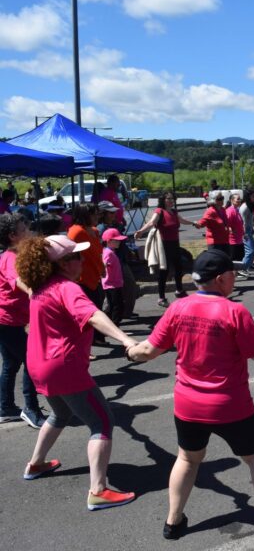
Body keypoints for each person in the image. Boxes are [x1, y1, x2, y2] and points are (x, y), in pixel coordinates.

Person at [127, 250, 254, 542]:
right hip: (230, 405)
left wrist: (130, 350)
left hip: (188, 404)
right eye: (232, 274)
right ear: (221, 278)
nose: (235, 277)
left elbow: (147, 351)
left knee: (187, 459)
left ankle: (173, 523)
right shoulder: (233, 311)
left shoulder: (178, 307)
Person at [17, 235, 138, 511]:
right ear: (63, 263)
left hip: (39, 365)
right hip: (63, 367)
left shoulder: (40, 286)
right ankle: (98, 491)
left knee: (60, 413)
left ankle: (36, 464)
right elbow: (93, 315)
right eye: (77, 256)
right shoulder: (67, 288)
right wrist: (125, 339)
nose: (83, 260)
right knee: (103, 422)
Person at [0, 213, 45, 428]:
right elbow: (15, 279)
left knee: (10, 363)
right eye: (24, 229)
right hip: (7, 321)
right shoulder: (10, 258)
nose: (29, 231)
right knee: (31, 361)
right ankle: (31, 408)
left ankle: (6, 407)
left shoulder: (19, 254)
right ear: (12, 236)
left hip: (10, 320)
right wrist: (31, 292)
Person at [134, 193, 194, 308]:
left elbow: (182, 220)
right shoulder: (159, 211)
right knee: (164, 272)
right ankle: (161, 298)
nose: (171, 200)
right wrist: (140, 231)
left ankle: (179, 290)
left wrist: (194, 223)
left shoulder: (174, 212)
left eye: (172, 198)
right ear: (163, 200)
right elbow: (152, 223)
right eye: (169, 198)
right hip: (164, 245)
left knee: (179, 268)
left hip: (175, 244)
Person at [67, 203, 105, 334]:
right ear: (84, 215)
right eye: (93, 214)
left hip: (95, 276)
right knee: (87, 314)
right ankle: (88, 344)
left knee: (97, 308)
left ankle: (96, 339)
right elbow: (71, 255)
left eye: (97, 213)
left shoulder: (94, 230)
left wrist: (102, 268)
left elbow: (98, 253)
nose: (97, 217)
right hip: (82, 279)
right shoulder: (76, 232)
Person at [101, 228, 126, 327]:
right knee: (117, 306)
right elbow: (104, 264)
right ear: (109, 241)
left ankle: (112, 324)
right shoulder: (109, 253)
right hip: (111, 284)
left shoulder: (110, 251)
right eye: (116, 240)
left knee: (114, 305)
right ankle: (114, 325)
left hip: (113, 283)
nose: (119, 242)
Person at [238, 192, 254, 277]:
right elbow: (242, 222)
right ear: (248, 197)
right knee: (250, 250)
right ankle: (242, 268)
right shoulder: (244, 207)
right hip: (245, 231)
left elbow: (250, 219)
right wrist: (244, 233)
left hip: (249, 230)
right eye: (253, 196)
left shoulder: (251, 205)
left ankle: (247, 266)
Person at [225, 193, 244, 264]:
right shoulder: (230, 211)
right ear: (232, 201)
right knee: (234, 259)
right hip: (232, 240)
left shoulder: (237, 210)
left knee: (240, 257)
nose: (239, 200)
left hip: (239, 239)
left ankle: (237, 272)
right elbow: (225, 224)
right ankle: (234, 274)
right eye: (238, 199)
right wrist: (231, 230)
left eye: (240, 199)